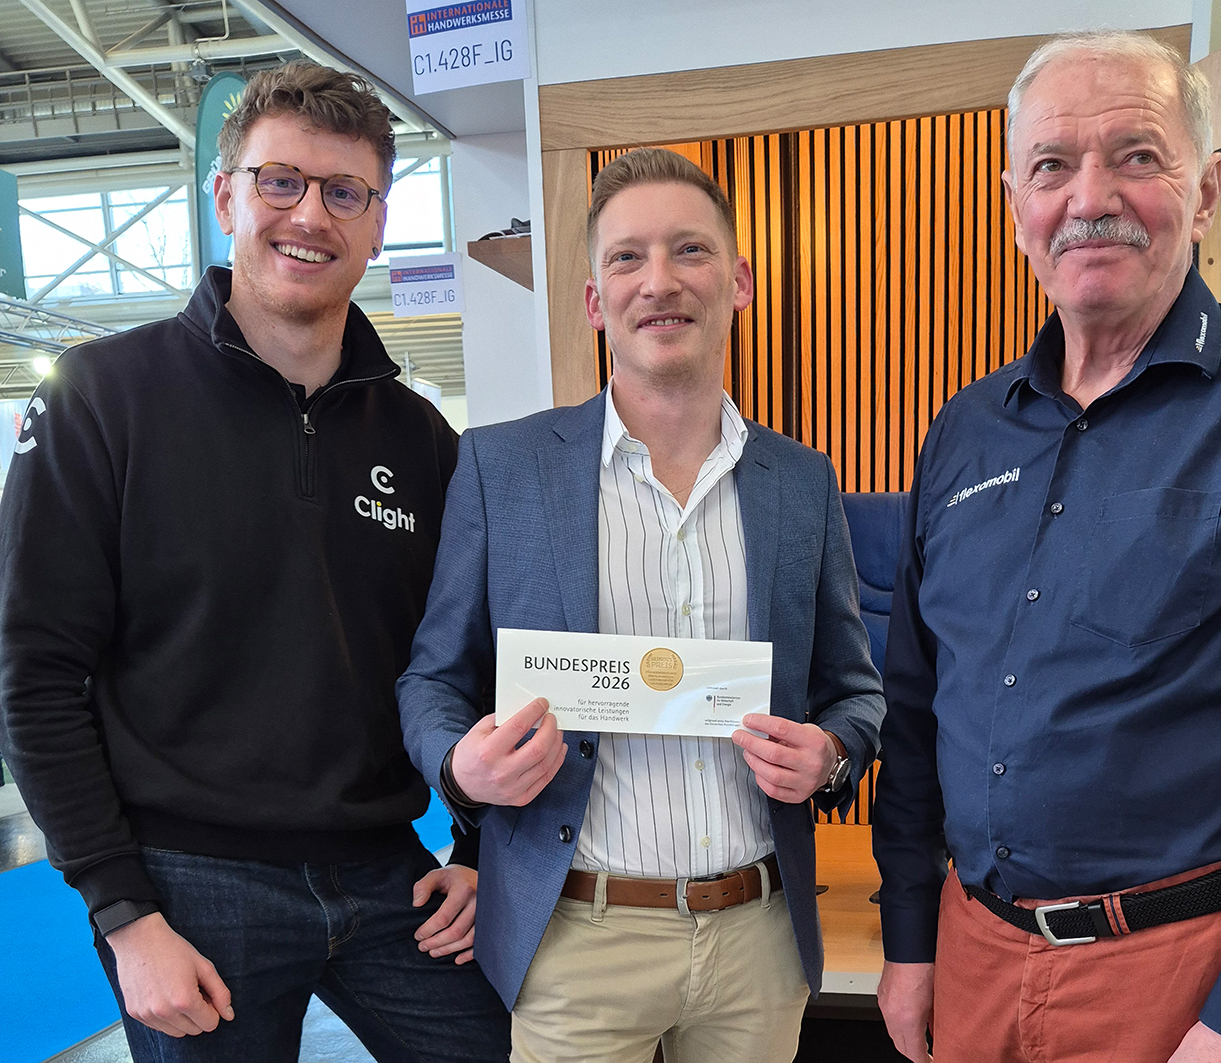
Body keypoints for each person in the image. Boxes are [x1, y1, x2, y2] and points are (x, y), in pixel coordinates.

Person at [874, 30, 1221, 1063]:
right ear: (1014, 204)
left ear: (1205, 190)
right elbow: (914, 707)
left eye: (1135, 155)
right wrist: (909, 938)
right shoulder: (964, 432)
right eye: (1051, 166)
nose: (1089, 197)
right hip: (973, 950)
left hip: (1179, 976)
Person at [0, 62, 510, 1062]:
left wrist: (482, 846)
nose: (309, 215)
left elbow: (466, 665)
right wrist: (123, 913)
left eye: (343, 191)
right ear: (227, 193)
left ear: (375, 221)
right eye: (281, 181)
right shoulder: (101, 399)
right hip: (192, 883)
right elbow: (36, 673)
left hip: (390, 869)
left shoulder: (420, 437)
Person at [396, 147, 885, 1063]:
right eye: (626, 257)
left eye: (689, 250)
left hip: (758, 935)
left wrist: (830, 754)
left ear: (737, 281)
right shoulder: (503, 468)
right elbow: (431, 679)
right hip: (579, 934)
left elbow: (854, 692)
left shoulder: (802, 482)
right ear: (593, 300)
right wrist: (461, 767)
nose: (658, 281)